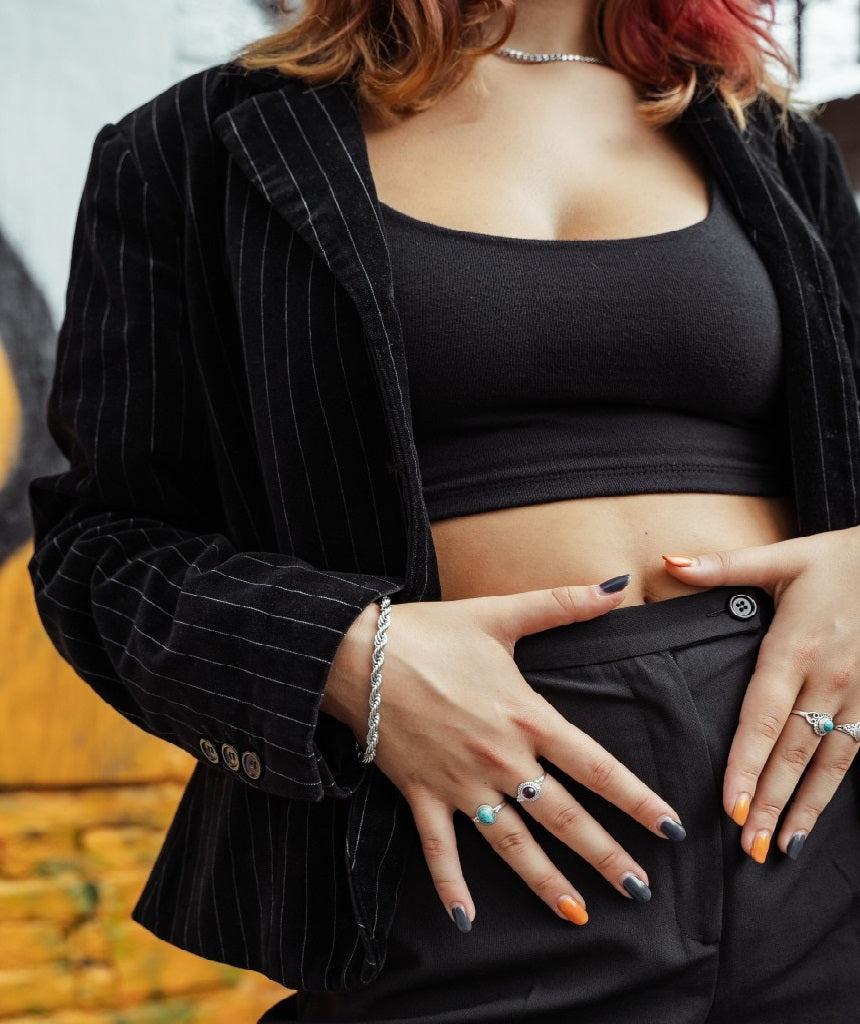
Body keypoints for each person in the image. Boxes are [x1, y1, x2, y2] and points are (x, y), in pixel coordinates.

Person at [28, 0, 860, 1020]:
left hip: (822, 835)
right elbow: (99, 553)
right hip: (458, 864)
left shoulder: (764, 138)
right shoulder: (196, 148)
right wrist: (343, 656)